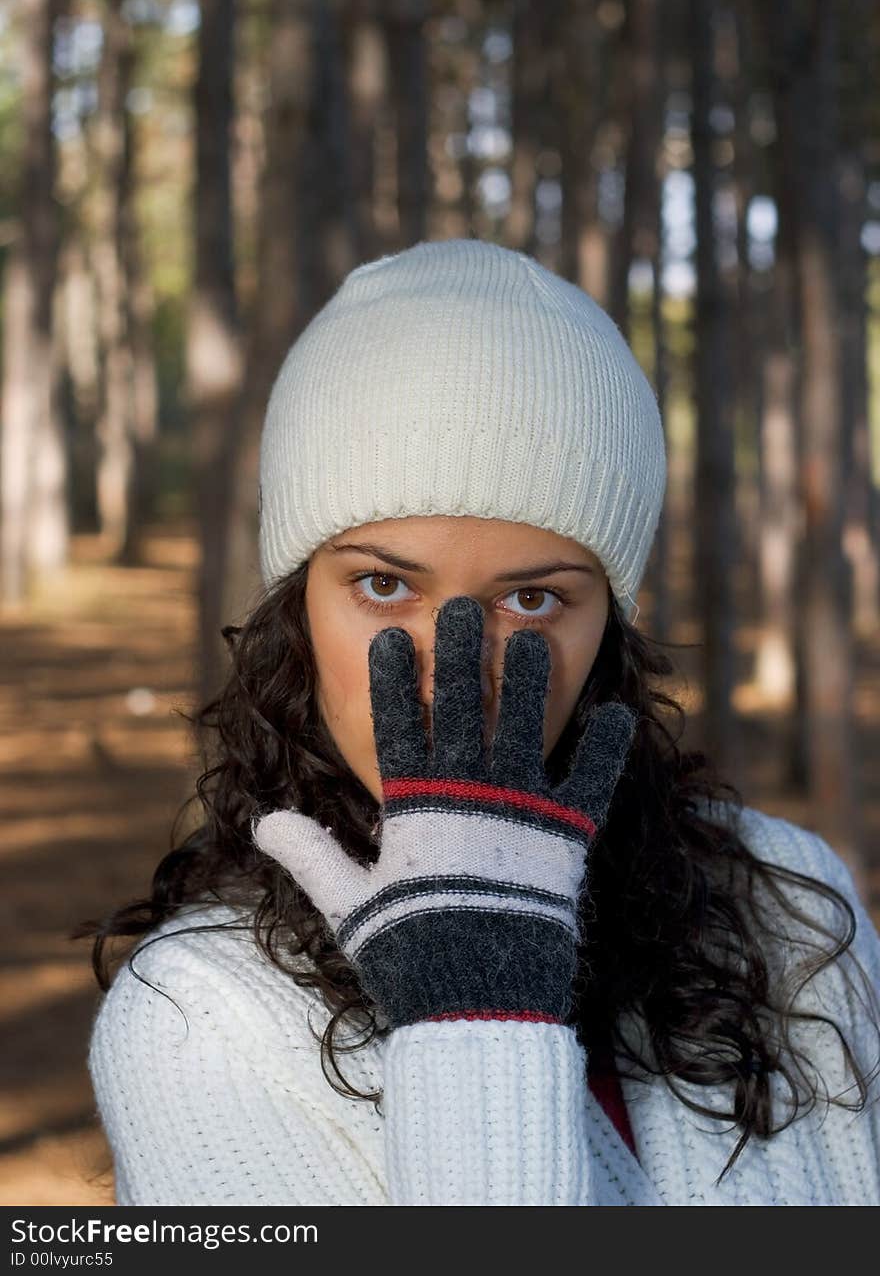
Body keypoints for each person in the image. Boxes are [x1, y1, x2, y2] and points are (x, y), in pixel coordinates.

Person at [79, 237, 880, 1206]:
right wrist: (475, 1007)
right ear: (296, 603)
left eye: (533, 601)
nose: (454, 673)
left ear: (610, 630)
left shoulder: (787, 907)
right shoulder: (197, 1020)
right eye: (383, 586)